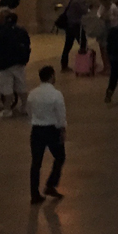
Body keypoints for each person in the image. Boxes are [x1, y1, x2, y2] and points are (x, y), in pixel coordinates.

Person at [27, 66, 66, 204]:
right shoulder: (56, 94)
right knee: (60, 157)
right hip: (51, 130)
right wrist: (62, 130)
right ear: (51, 76)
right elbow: (60, 115)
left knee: (36, 163)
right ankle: (50, 184)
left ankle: (34, 194)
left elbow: (29, 112)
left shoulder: (32, 93)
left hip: (36, 130)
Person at [0, 13, 29, 117]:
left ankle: (7, 110)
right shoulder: (22, 31)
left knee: (6, 88)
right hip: (19, 63)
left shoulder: (0, 33)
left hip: (4, 65)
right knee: (21, 86)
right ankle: (24, 107)